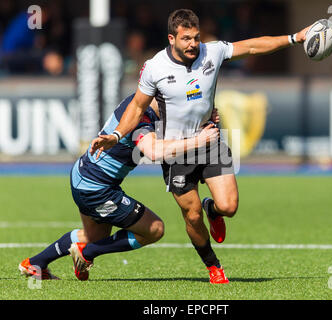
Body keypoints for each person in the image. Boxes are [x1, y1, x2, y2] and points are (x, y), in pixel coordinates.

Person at [89, 9, 310, 284]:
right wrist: (117, 134)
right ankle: (213, 266)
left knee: (229, 206)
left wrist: (294, 38)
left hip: (209, 140)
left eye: (195, 38)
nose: (193, 44)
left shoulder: (212, 52)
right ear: (172, 38)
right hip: (177, 150)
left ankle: (213, 209)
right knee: (192, 217)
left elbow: (252, 46)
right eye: (186, 39)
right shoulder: (155, 67)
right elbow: (137, 106)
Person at [18, 93, 219, 281]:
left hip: (85, 177)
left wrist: (203, 120)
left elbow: (171, 128)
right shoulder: (142, 120)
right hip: (97, 189)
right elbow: (155, 151)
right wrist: (198, 140)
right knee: (154, 229)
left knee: (94, 236)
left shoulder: (139, 103)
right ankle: (86, 253)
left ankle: (34, 264)